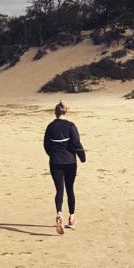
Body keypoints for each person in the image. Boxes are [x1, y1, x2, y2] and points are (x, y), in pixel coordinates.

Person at [43, 100, 86, 235]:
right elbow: (76, 143)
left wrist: (53, 154)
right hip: (69, 162)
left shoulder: (50, 127)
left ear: (55, 113)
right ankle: (72, 217)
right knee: (70, 189)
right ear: (66, 111)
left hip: (55, 162)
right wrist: (82, 156)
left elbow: (46, 145)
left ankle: (59, 213)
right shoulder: (70, 126)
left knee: (59, 189)